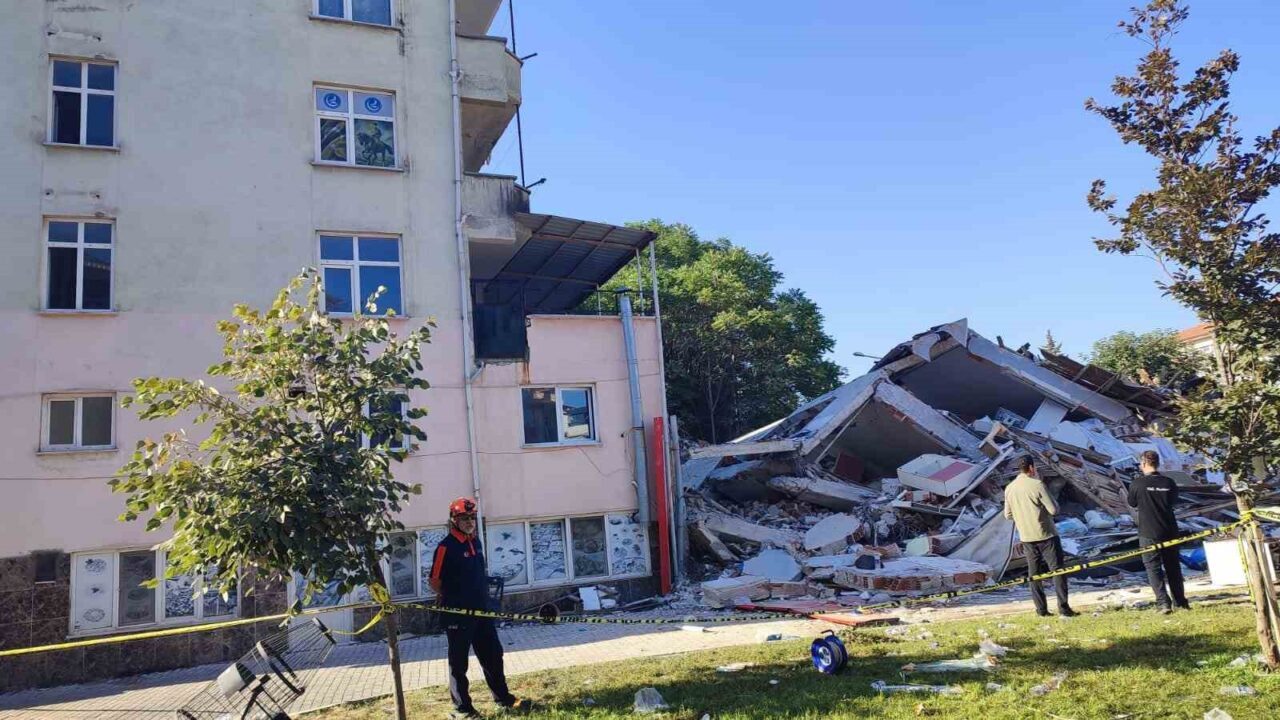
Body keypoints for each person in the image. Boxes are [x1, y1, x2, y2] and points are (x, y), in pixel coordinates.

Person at [429, 497, 530, 718]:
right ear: (454, 519)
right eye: (464, 518)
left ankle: (504, 699)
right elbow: (434, 581)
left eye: (472, 517)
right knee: (459, 664)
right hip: (458, 615)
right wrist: (453, 597)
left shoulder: (475, 542)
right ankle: (462, 709)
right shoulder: (445, 547)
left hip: (482, 612)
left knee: (493, 655)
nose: (469, 521)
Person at [1003, 456, 1078, 617]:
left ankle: (1041, 610)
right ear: (1031, 468)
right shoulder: (1037, 485)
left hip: (1026, 537)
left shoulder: (1009, 488)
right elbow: (1053, 510)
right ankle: (1064, 608)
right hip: (1046, 534)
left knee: (1034, 574)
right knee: (1057, 571)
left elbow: (1007, 515)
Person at [1127, 450, 1189, 614]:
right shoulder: (1169, 482)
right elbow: (1174, 502)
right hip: (1169, 529)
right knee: (1173, 567)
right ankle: (1180, 601)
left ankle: (1163, 603)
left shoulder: (1137, 484)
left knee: (1153, 568)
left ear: (1144, 464)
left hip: (1148, 531)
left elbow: (1132, 503)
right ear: (1158, 463)